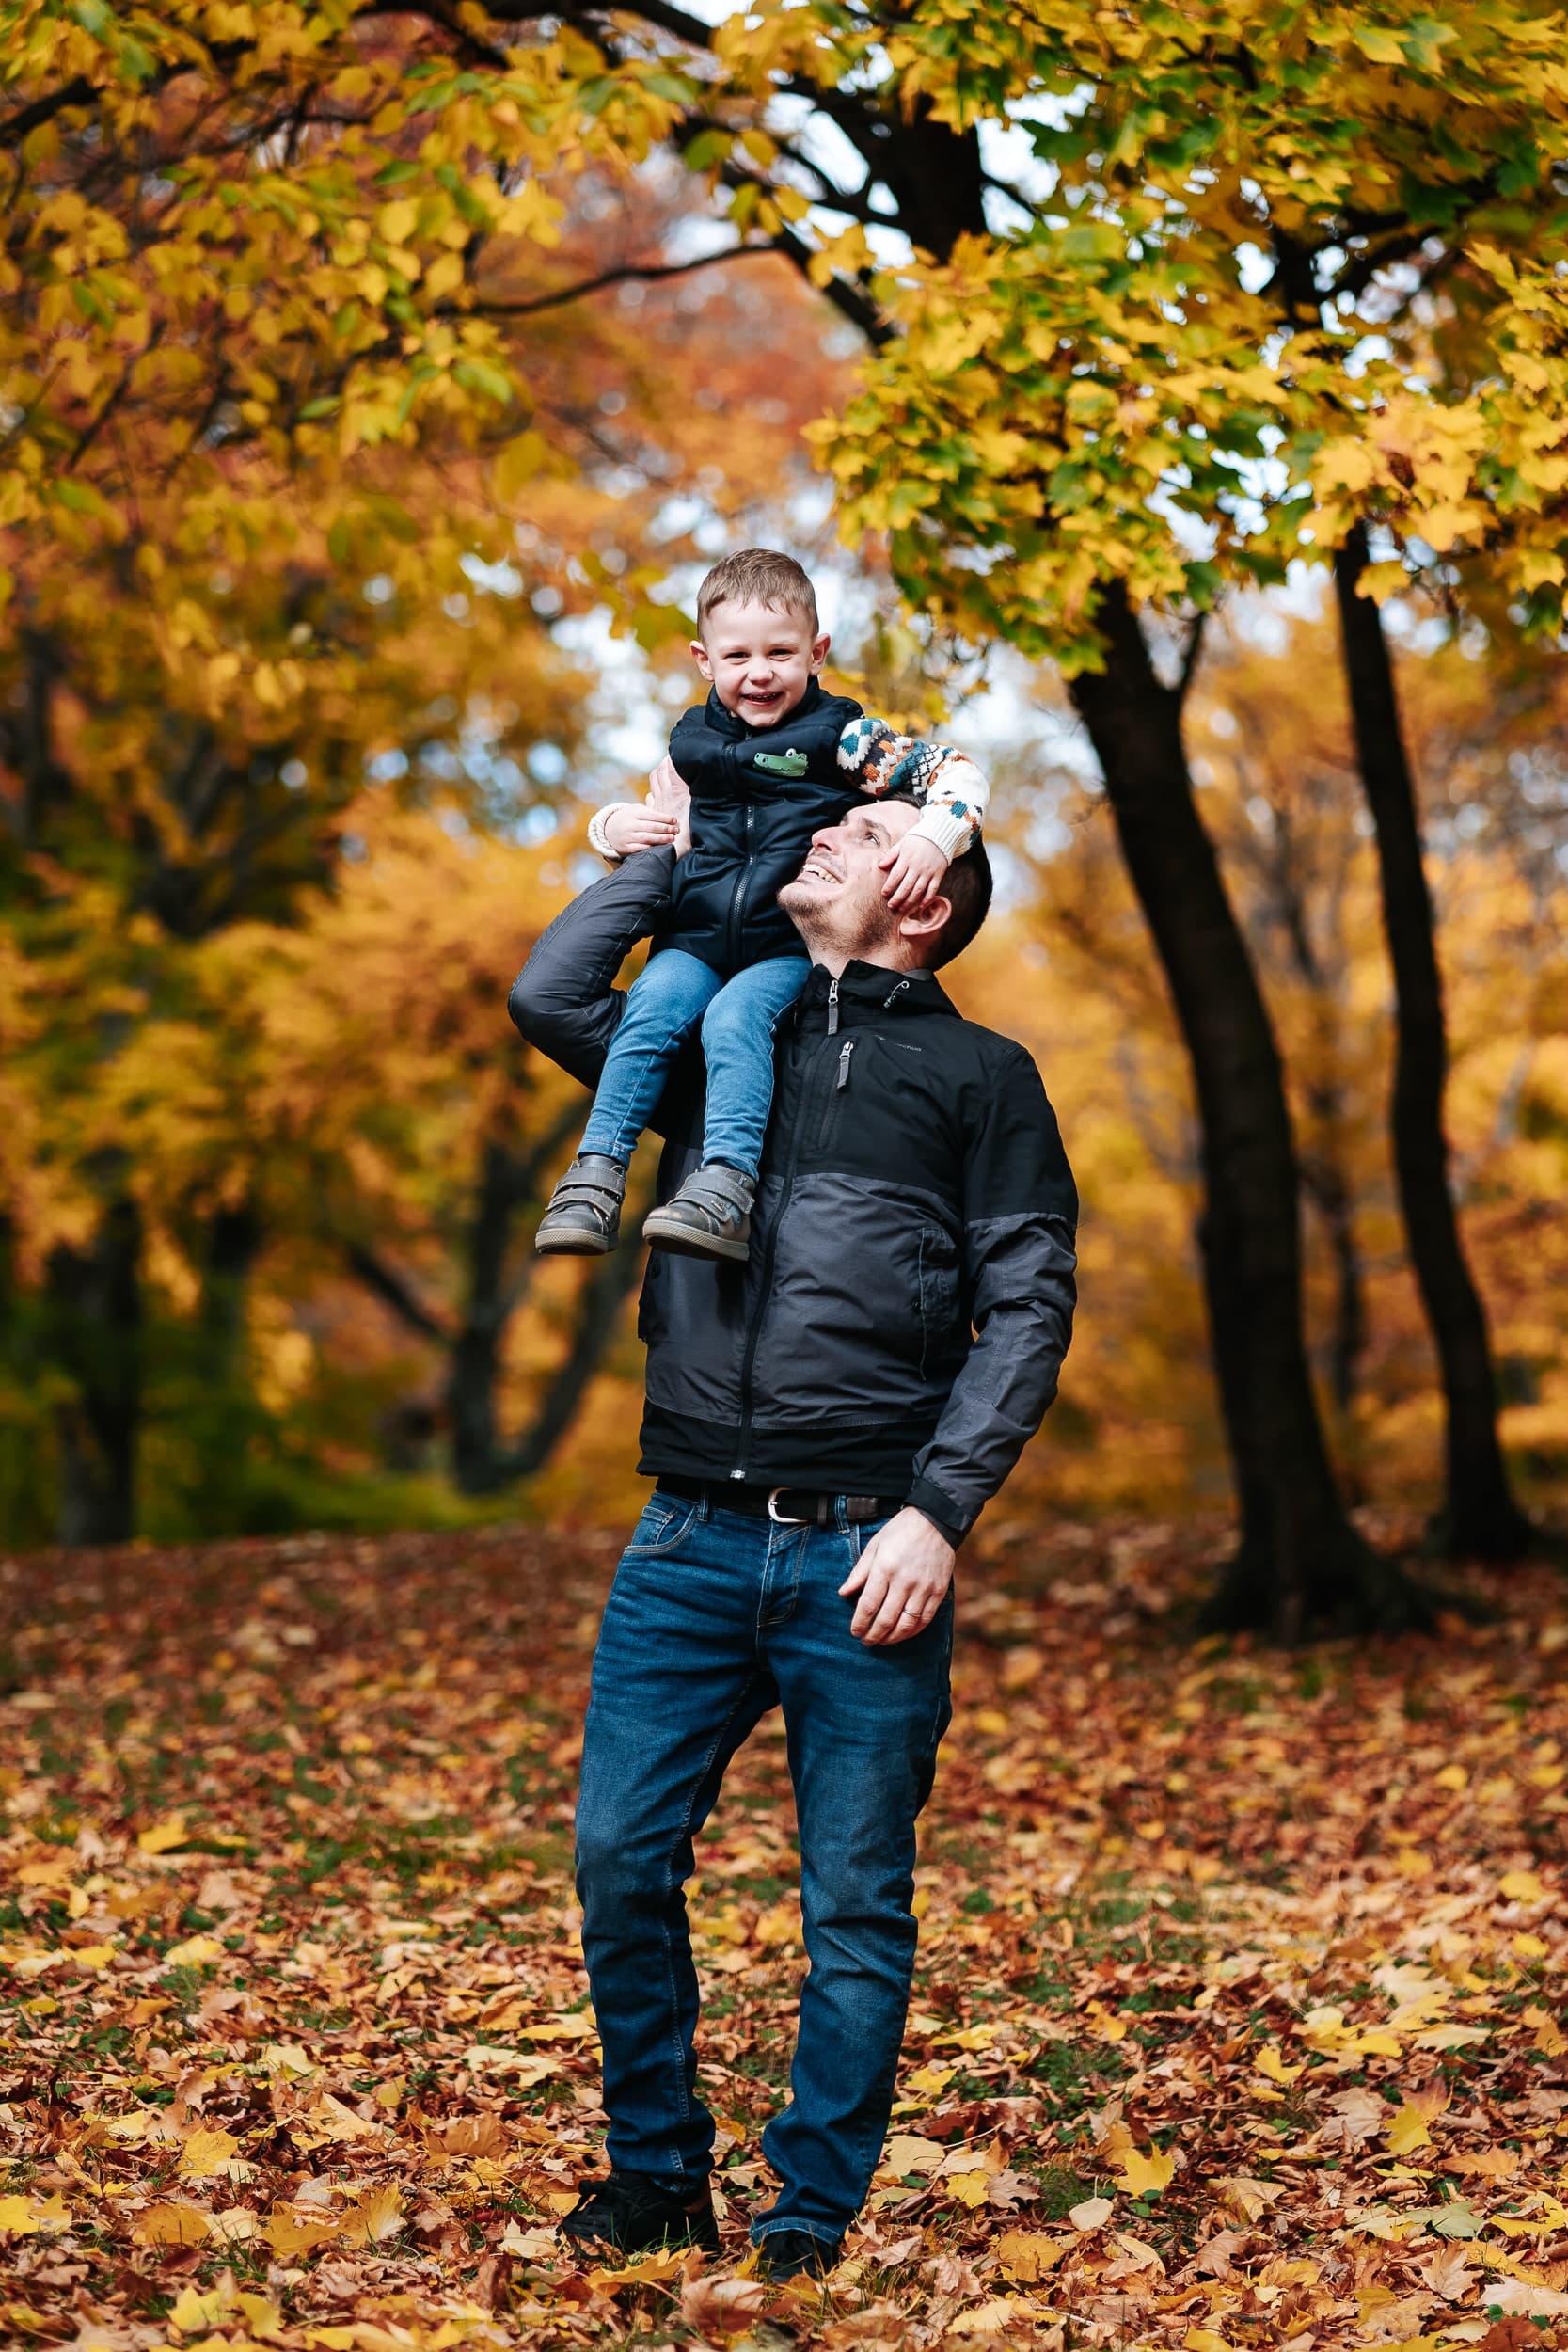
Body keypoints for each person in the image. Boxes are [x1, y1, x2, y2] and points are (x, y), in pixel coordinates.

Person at [508, 790, 1076, 2281]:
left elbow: (1027, 1309)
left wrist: (937, 1514)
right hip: (683, 1539)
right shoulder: (713, 1047)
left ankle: (805, 2223)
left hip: (864, 1553)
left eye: (871, 831)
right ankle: (655, 2179)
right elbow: (553, 996)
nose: (827, 831)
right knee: (617, 1861)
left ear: (927, 898)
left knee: (854, 1906)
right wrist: (658, 855)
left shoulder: (980, 1076)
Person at [533, 547, 987, 1265]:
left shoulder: (842, 738)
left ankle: (724, 1185)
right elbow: (661, 827)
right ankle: (594, 1177)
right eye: (737, 655)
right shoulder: (694, 743)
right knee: (649, 1011)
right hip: (694, 938)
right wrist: (609, 827)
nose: (760, 673)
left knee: (734, 1019)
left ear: (816, 653)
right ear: (703, 660)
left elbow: (955, 772)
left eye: (780, 653)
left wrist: (936, 838)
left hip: (781, 947)